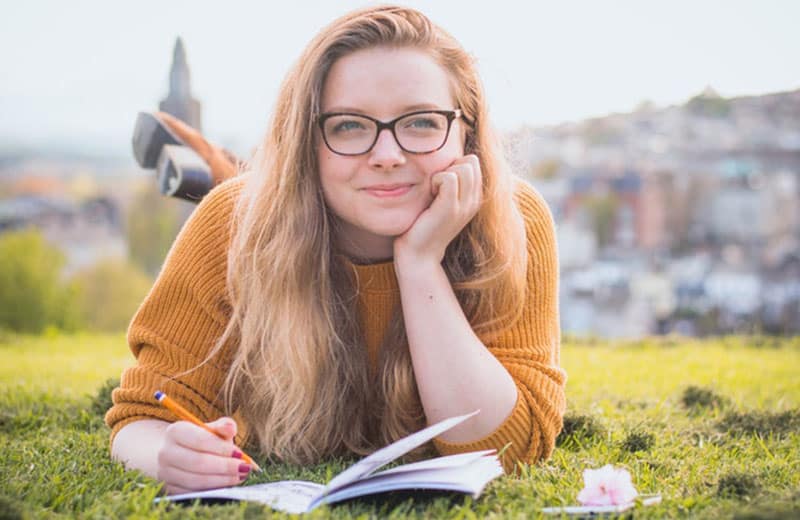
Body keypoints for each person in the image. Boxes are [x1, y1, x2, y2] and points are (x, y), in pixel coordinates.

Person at [107, 5, 566, 495]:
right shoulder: (231, 223)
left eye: (422, 123)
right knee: (259, 206)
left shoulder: (512, 219)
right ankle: (219, 164)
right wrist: (168, 454)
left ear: (467, 132)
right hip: (276, 208)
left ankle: (212, 158)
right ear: (307, 138)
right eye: (348, 125)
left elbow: (511, 447)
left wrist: (419, 264)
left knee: (273, 194)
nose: (388, 156)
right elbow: (142, 417)